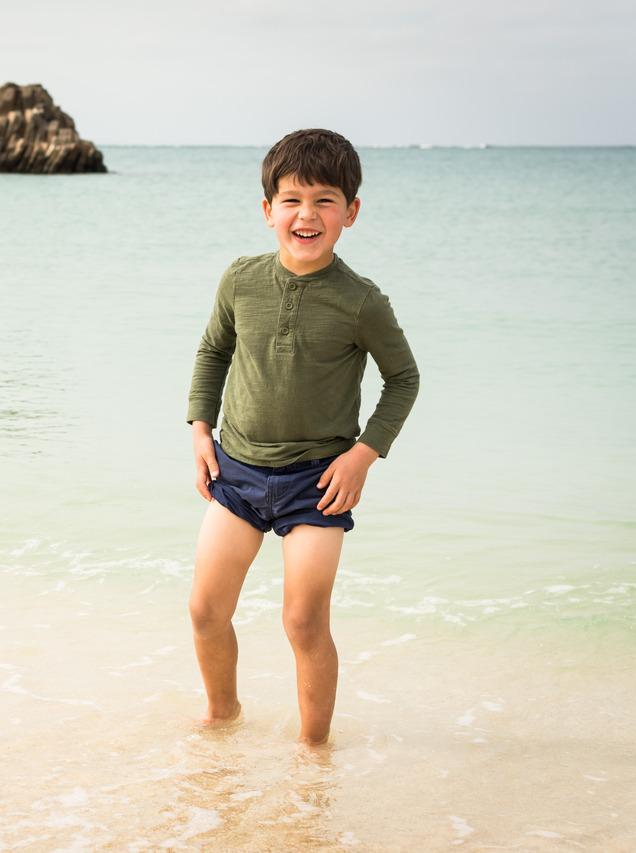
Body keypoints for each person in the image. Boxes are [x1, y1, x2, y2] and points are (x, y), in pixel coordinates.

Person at [186, 128, 420, 744]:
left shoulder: (361, 302)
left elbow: (404, 379)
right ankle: (222, 716)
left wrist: (363, 456)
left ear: (351, 211)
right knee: (206, 610)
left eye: (324, 201)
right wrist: (201, 430)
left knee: (304, 621)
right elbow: (213, 351)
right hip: (236, 471)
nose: (307, 215)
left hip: (317, 484)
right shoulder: (240, 280)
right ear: (269, 211)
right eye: (291, 200)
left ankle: (315, 752)